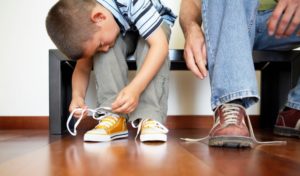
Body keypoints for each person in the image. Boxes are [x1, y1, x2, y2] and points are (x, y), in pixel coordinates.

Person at [46, 0, 176, 142]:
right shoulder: (91, 26)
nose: (103, 48)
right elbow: (82, 68)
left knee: (148, 47)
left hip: (156, 27)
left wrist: (135, 88)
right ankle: (113, 116)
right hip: (124, 30)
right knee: (106, 49)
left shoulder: (132, 2)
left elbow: (159, 45)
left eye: (100, 43)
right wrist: (77, 96)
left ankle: (150, 116)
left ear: (99, 17)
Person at [179, 0, 300, 147]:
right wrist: (191, 28)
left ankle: (295, 111)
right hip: (230, 18)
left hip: (280, 20)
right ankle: (231, 103)